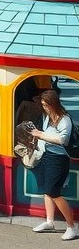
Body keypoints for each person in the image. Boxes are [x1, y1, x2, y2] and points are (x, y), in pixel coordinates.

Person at [29, 90, 77, 239]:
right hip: (47, 156)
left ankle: (72, 227)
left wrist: (40, 135)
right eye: (43, 105)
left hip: (59, 159)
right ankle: (50, 221)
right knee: (47, 190)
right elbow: (45, 135)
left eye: (46, 105)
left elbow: (63, 140)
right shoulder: (47, 117)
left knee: (54, 191)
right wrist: (36, 137)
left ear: (53, 104)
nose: (45, 108)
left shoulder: (65, 119)